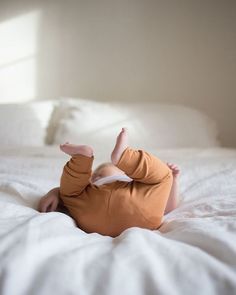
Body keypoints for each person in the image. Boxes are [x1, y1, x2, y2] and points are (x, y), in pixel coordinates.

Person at [38, 128, 180, 237]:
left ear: (128, 175)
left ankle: (81, 159)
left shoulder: (93, 186)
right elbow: (168, 207)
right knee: (164, 176)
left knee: (70, 192)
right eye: (96, 175)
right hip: (141, 218)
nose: (93, 176)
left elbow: (68, 192)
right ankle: (125, 157)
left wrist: (57, 192)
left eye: (97, 174)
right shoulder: (136, 189)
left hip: (90, 216)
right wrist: (172, 180)